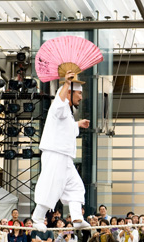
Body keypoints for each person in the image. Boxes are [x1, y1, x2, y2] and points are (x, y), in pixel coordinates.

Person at [31, 70, 91, 232]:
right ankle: (37, 218)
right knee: (51, 186)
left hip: (65, 157)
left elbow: (67, 127)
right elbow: (59, 105)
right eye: (78, 93)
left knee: (76, 187)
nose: (81, 97)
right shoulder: (59, 105)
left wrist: (78, 124)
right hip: (55, 153)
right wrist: (66, 83)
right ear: (69, 93)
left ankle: (77, 218)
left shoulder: (67, 112)